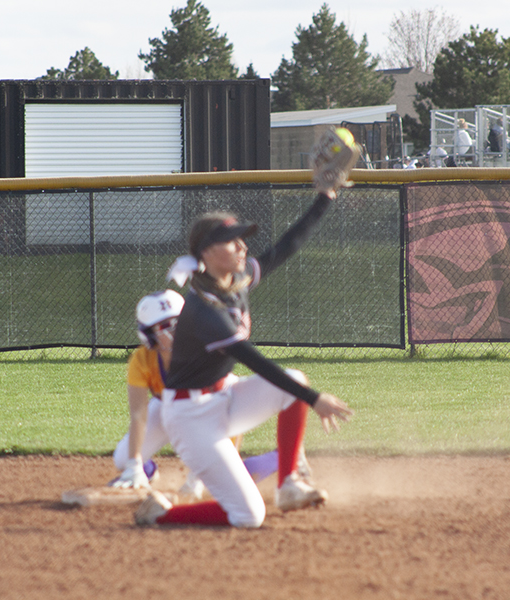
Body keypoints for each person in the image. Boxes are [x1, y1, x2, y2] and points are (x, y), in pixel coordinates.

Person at [134, 128, 356, 528]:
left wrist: (326, 196)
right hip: (190, 417)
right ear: (206, 253)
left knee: (292, 379)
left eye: (241, 240)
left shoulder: (237, 282)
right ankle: (161, 515)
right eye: (231, 241)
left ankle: (289, 484)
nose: (241, 247)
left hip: (225, 398)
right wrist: (313, 397)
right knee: (249, 516)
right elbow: (250, 358)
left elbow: (288, 245)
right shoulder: (203, 310)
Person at [110, 289, 290, 498]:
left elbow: (221, 411)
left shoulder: (205, 348)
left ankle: (280, 457)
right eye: (165, 326)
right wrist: (134, 465)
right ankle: (147, 472)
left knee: (217, 478)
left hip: (211, 403)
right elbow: (139, 414)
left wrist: (197, 479)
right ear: (149, 335)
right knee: (123, 459)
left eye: (178, 322)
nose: (174, 331)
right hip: (167, 407)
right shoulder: (142, 360)